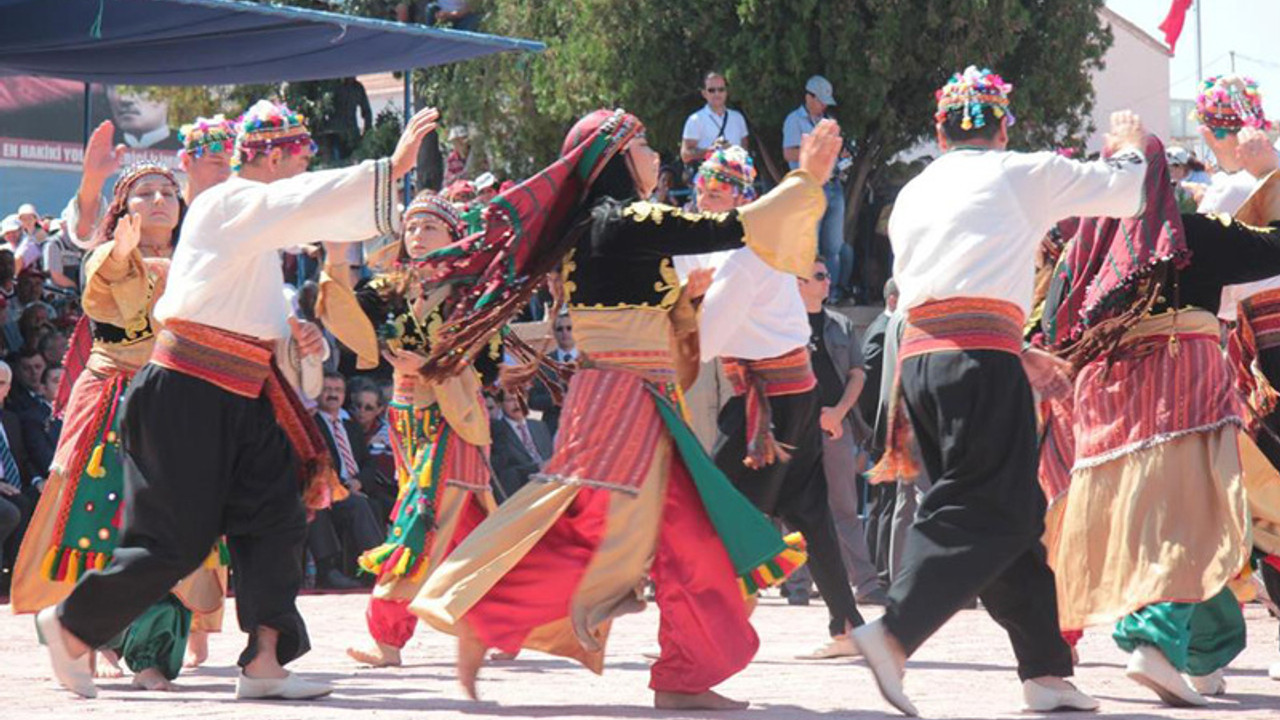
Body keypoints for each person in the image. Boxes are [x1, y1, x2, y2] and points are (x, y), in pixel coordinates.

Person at [409, 108, 838, 710]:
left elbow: (655, 295)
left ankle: (684, 676)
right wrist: (806, 178)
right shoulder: (624, 219)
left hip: (639, 396)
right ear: (615, 158)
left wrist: (685, 301)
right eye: (641, 145)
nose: (654, 155)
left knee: (692, 537)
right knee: (588, 529)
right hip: (623, 400)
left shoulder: (599, 226)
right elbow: (734, 228)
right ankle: (484, 610)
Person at [33, 99, 440, 701]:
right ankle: (70, 626)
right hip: (186, 388)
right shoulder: (230, 202)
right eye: (299, 159)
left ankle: (266, 660)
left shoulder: (252, 223)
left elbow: (260, 282)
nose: (303, 172)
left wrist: (291, 332)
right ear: (272, 156)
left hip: (244, 389)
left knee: (276, 515)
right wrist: (391, 167)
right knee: (175, 540)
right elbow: (295, 206)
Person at [851, 67, 1149, 716]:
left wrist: (1019, 349)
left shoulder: (915, 191)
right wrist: (1129, 142)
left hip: (923, 366)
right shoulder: (1019, 171)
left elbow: (940, 290)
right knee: (992, 507)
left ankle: (1045, 672)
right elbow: (1128, 191)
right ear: (1003, 126)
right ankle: (896, 630)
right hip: (977, 360)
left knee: (1011, 515)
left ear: (939, 131)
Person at [10, 163, 229, 691]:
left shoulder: (207, 261)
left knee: (173, 528)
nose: (157, 200)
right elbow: (116, 296)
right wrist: (113, 234)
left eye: (167, 193)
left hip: (180, 405)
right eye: (143, 193)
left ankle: (154, 647)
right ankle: (92, 636)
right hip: (113, 407)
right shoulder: (109, 261)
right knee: (97, 524)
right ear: (123, 210)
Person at [672, 146, 865, 655]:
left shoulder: (743, 253)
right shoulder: (722, 243)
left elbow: (706, 344)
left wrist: (682, 307)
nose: (705, 201)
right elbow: (678, 265)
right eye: (702, 191)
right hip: (783, 392)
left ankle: (708, 631)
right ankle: (847, 626)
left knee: (720, 510)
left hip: (770, 403)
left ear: (742, 199)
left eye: (717, 193)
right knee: (807, 508)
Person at [319, 189, 499, 669]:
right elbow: (347, 317)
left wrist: (432, 367)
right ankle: (504, 621)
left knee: (417, 520)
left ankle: (388, 637)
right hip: (405, 421)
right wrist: (336, 260)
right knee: (463, 525)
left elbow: (489, 365)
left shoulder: (470, 295)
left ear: (454, 236)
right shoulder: (393, 287)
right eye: (413, 227)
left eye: (430, 227)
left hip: (450, 419)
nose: (418, 236)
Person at [797, 258, 885, 605]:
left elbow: (857, 374)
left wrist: (837, 414)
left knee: (845, 507)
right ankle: (797, 584)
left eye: (827, 275)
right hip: (797, 425)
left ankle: (865, 584)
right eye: (819, 276)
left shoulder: (841, 324)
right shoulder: (784, 325)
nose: (827, 280)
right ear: (798, 283)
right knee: (798, 508)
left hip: (836, 427)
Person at [308, 371, 385, 590]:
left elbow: (369, 463)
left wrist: (358, 483)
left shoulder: (350, 425)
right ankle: (375, 567)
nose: (333, 394)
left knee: (382, 504)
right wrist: (342, 488)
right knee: (357, 505)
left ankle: (368, 569)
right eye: (328, 390)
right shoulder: (311, 423)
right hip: (326, 489)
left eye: (338, 390)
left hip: (355, 487)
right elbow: (315, 461)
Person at [784, 76, 846, 303]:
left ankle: (832, 293)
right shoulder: (794, 120)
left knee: (834, 245)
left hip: (834, 185)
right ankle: (809, 294)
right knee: (813, 244)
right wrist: (813, 152)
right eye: (820, 100)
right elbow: (788, 153)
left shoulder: (828, 120)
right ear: (808, 96)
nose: (824, 106)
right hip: (810, 188)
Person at [862, 278, 898, 585]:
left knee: (882, 502)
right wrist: (868, 428)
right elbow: (870, 385)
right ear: (895, 300)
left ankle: (879, 568)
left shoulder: (885, 328)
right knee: (886, 502)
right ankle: (883, 570)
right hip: (884, 430)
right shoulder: (881, 332)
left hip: (883, 429)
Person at [489, 387, 552, 500]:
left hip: (549, 487)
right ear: (500, 404)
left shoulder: (540, 426)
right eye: (510, 400)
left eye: (521, 398)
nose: (517, 404)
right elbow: (503, 472)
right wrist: (536, 468)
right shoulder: (496, 431)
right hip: (521, 492)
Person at [680, 72, 750, 166]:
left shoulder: (738, 118)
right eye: (712, 90)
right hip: (706, 177)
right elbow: (685, 155)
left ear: (726, 92)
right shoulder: (695, 120)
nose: (717, 93)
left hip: (735, 177)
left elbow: (744, 151)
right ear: (704, 93)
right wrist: (711, 152)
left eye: (721, 89)